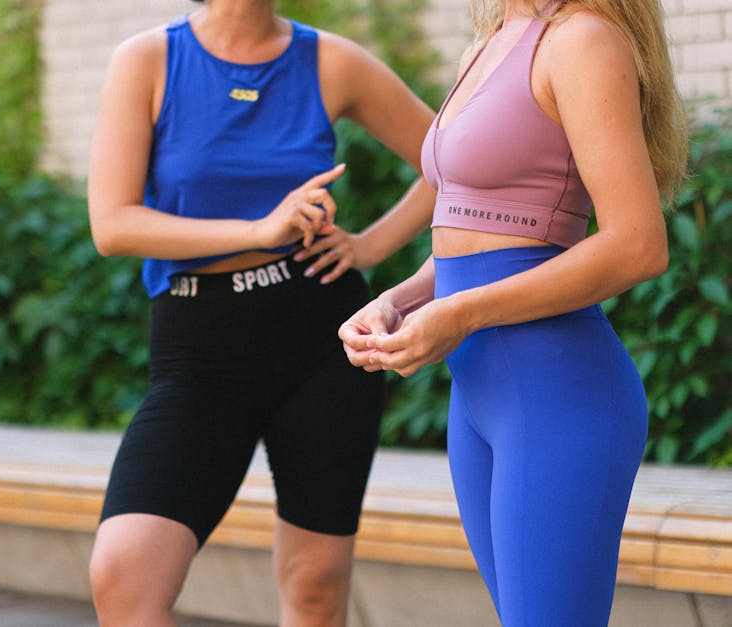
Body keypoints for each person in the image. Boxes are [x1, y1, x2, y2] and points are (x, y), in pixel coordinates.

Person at [86, 0, 437, 624]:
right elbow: (113, 225)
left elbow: (451, 160)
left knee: (316, 587)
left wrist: (372, 245)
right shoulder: (148, 59)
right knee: (124, 575)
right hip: (198, 352)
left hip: (319, 341)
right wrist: (258, 229)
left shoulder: (331, 60)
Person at [339, 0, 687, 625]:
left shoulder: (583, 40)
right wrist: (397, 299)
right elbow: (471, 233)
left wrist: (462, 314)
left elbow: (638, 243)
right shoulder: (497, 36)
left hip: (556, 393)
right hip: (478, 399)